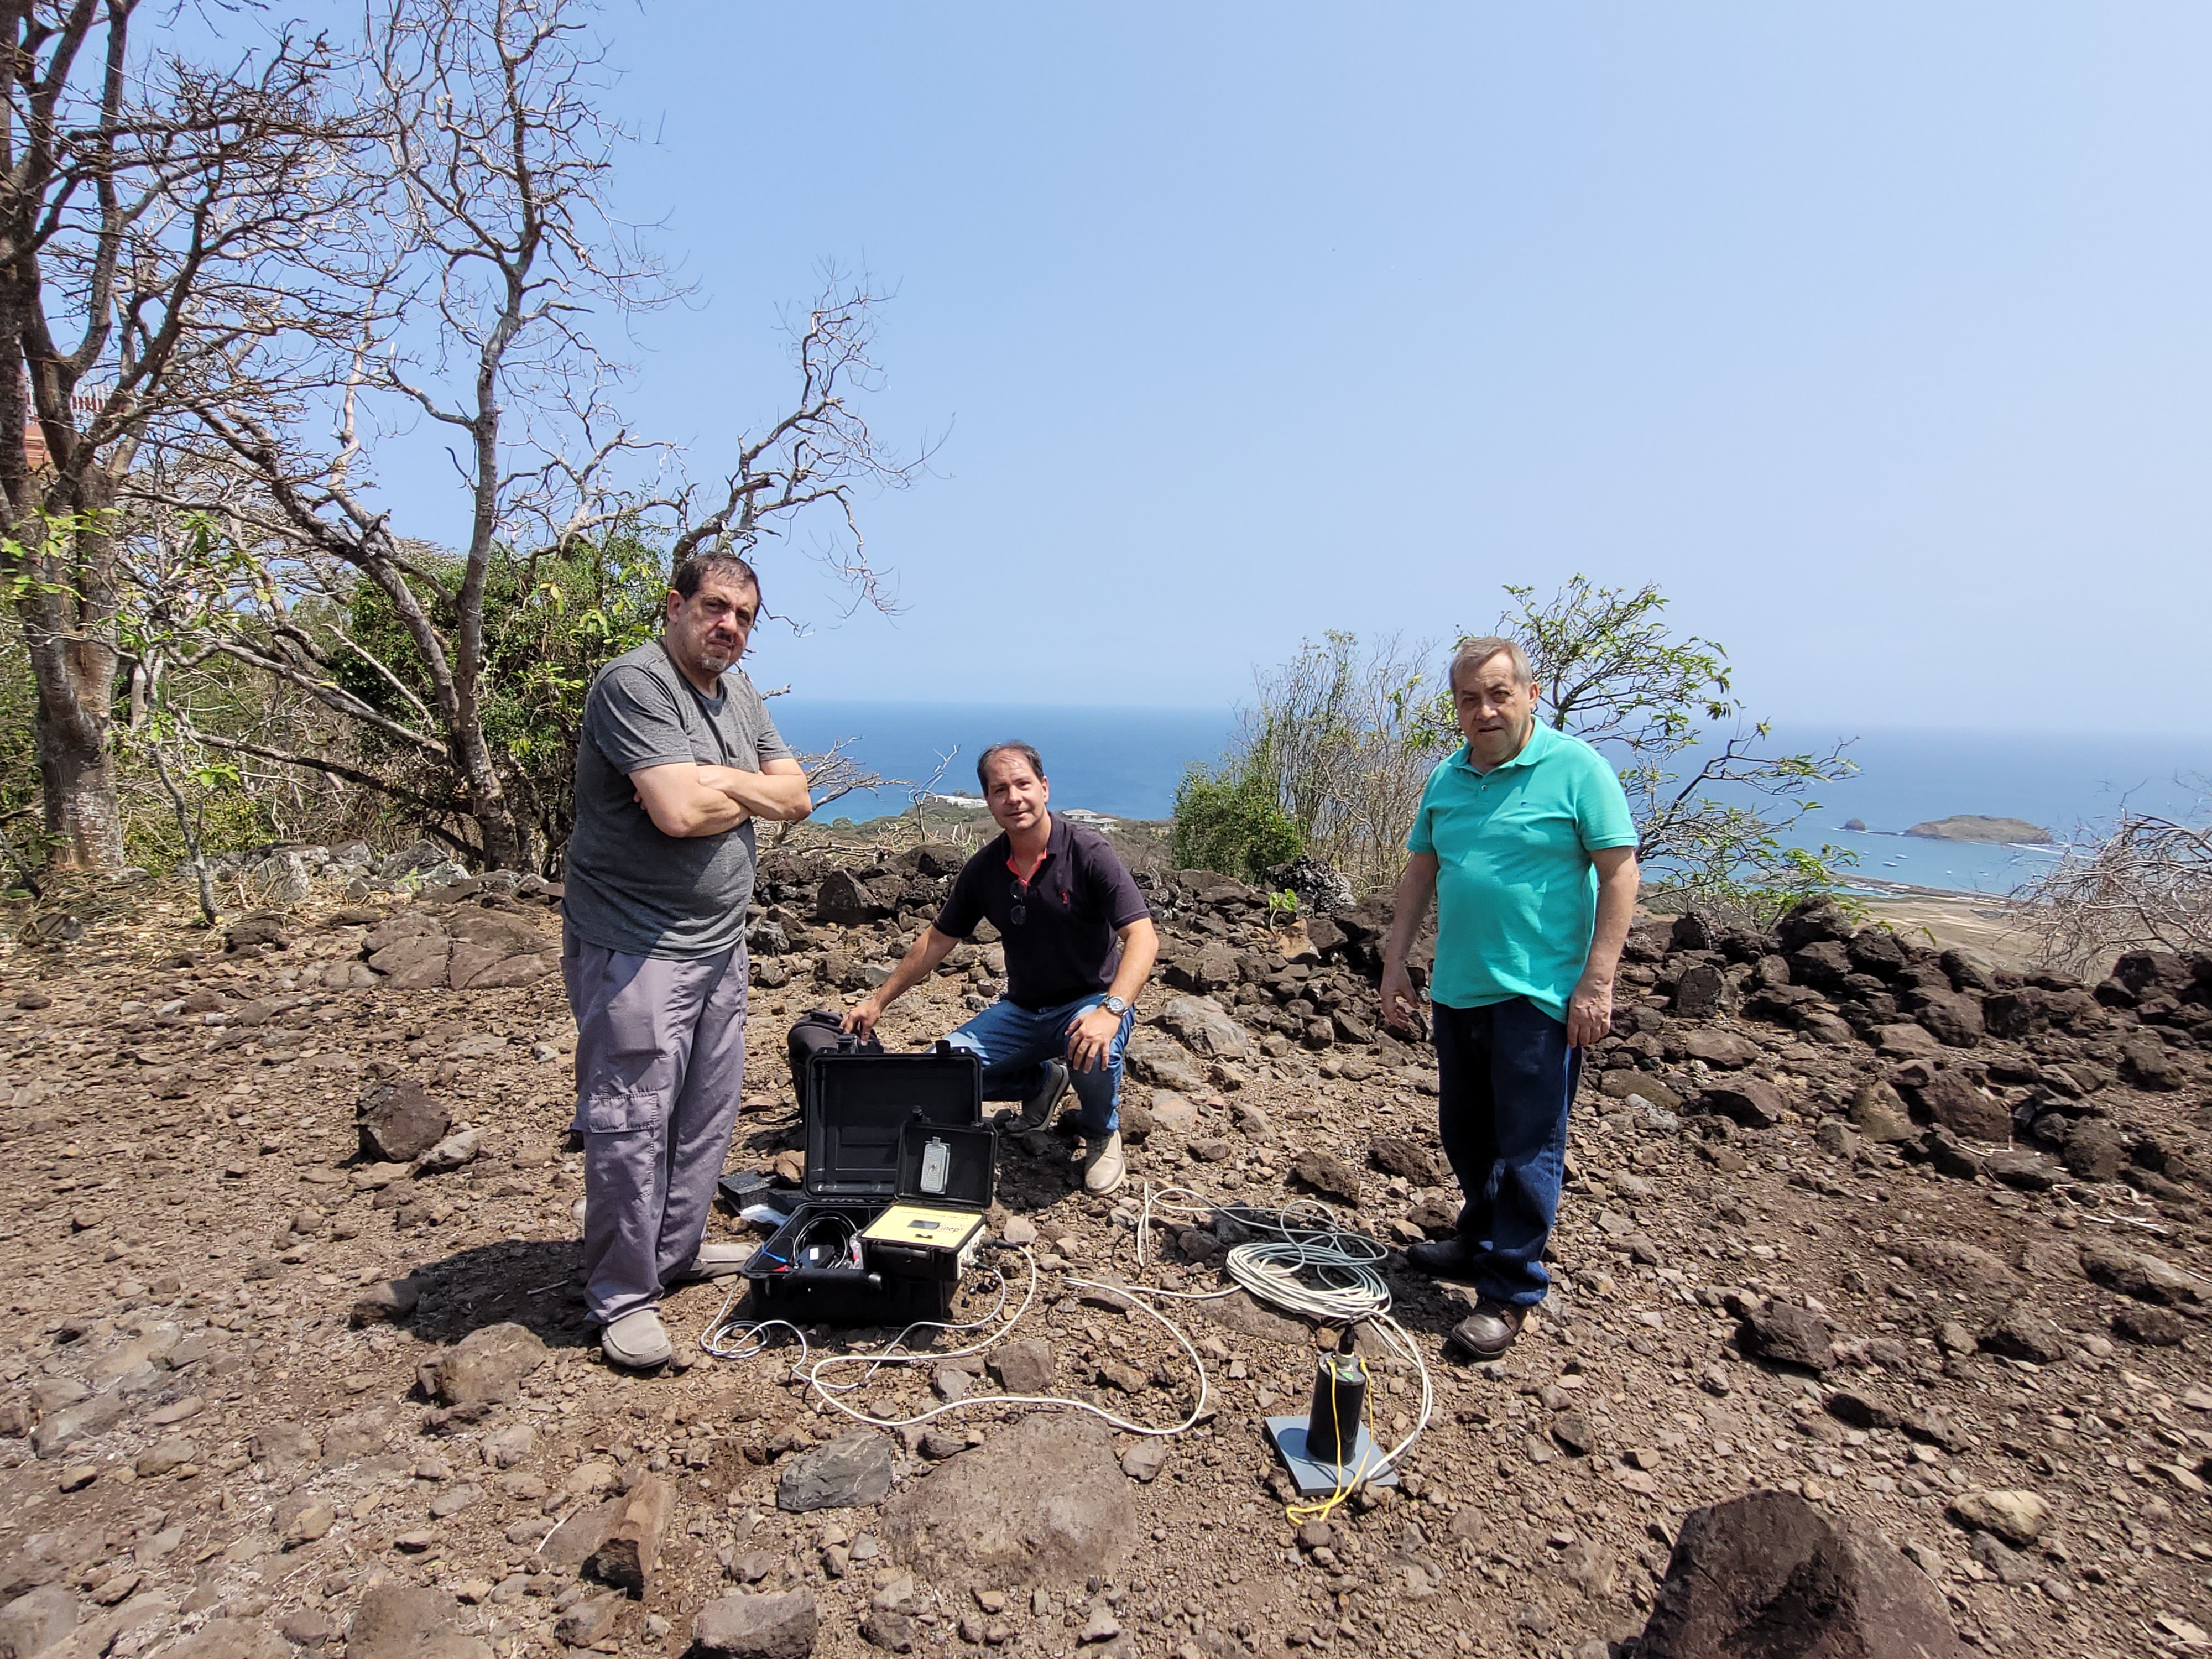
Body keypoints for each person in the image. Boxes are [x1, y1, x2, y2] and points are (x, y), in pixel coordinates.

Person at [561, 552, 812, 1370]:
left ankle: (672, 1255)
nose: (728, 626)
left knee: (705, 1111)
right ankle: (622, 1296)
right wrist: (739, 792)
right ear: (675, 605)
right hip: (638, 945)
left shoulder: (735, 690)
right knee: (632, 1120)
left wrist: (718, 779)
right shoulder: (634, 685)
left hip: (719, 941)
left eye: (743, 615)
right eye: (713, 607)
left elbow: (798, 798)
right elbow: (674, 812)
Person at [1379, 637, 1639, 1360]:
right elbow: (1419, 876)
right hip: (1462, 988)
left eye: (1498, 693)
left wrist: (1598, 979)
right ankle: (1477, 1236)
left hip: (1540, 994)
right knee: (1467, 1132)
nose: (1484, 710)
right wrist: (1395, 963)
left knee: (1528, 1146)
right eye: (1469, 698)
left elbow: (1620, 873)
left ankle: (1509, 1290)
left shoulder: (1577, 769)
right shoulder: (1449, 779)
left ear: (1531, 694)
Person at [841, 742, 1158, 1195]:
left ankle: (1102, 1132)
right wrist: (877, 1001)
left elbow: (1143, 937)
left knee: (1092, 1048)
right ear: (989, 801)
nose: (1014, 798)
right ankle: (1044, 1082)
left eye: (1023, 784)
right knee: (939, 1076)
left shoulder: (1087, 851)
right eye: (1000, 790)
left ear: (1044, 788)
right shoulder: (986, 869)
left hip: (1090, 1001)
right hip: (1023, 1010)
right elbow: (936, 941)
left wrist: (1112, 1010)